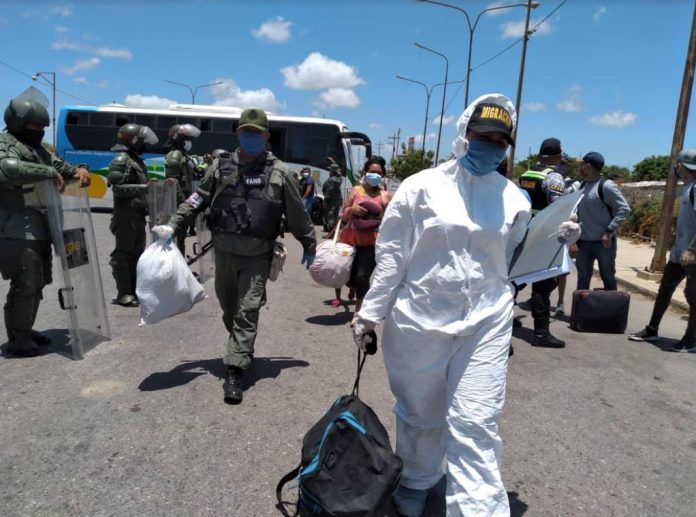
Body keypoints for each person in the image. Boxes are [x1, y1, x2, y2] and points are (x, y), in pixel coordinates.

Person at [351, 94, 580, 516]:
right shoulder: (421, 188)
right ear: (464, 134)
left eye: (499, 140)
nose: (489, 145)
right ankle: (418, 480)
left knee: (476, 422)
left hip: (486, 322)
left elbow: (513, 263)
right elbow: (392, 257)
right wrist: (369, 313)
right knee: (421, 414)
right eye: (482, 135)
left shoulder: (514, 198)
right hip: (419, 322)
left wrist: (554, 240)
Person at [152, 108, 316, 404]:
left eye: (257, 133)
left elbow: (297, 212)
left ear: (266, 136)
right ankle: (241, 348)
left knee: (247, 309)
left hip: (258, 254)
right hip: (224, 252)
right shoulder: (220, 166)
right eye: (246, 132)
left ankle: (235, 369)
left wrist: (310, 243)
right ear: (238, 134)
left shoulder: (279, 172)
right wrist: (173, 223)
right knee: (230, 310)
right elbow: (197, 198)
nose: (251, 137)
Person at [0, 88, 91, 357]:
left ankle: (25, 330)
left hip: (41, 226)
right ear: (17, 123)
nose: (39, 130)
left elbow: (61, 166)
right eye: (34, 125)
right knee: (25, 282)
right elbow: (6, 169)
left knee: (37, 281)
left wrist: (79, 169)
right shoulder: (6, 144)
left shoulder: (38, 149)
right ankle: (17, 337)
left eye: (42, 126)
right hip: (15, 228)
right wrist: (47, 171)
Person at [629, 149, 696, 352]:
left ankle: (690, 340)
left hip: (692, 257)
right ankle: (652, 329)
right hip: (679, 254)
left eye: (677, 165)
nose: (676, 168)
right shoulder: (688, 188)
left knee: (693, 297)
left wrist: (692, 250)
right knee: (665, 289)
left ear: (681, 166)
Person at [518, 137, 569, 348]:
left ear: (540, 155)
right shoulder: (554, 178)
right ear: (558, 156)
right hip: (544, 236)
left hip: (523, 232)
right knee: (544, 284)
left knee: (515, 279)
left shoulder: (526, 174)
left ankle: (502, 320)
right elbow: (556, 210)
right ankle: (541, 333)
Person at [108, 123, 159, 307]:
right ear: (133, 140)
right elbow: (118, 188)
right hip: (125, 216)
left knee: (137, 254)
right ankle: (123, 293)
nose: (145, 144)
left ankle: (134, 290)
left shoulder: (135, 160)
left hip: (136, 215)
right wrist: (144, 188)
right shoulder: (122, 160)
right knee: (123, 254)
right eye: (142, 140)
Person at [340, 156, 392, 324]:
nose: (375, 175)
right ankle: (355, 289)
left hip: (371, 245)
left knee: (363, 277)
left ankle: (358, 312)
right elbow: (343, 214)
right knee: (348, 277)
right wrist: (352, 210)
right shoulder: (356, 191)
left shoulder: (385, 196)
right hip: (350, 241)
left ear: (383, 175)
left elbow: (393, 222)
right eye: (372, 172)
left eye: (379, 173)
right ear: (365, 173)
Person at [573, 152, 630, 291]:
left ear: (589, 166)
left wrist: (610, 230)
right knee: (582, 278)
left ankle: (611, 310)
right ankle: (581, 311)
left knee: (608, 277)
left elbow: (624, 209)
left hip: (604, 243)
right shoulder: (581, 186)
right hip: (584, 243)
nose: (579, 168)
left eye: (581, 165)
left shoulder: (606, 186)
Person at [164, 123, 201, 254]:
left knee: (181, 238)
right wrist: (184, 204)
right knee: (175, 239)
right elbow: (173, 184)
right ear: (178, 139)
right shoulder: (175, 156)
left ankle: (179, 266)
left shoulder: (183, 155)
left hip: (182, 203)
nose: (189, 142)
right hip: (177, 205)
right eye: (187, 139)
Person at [322, 157, 343, 233]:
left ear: (332, 171)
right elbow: (339, 171)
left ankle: (331, 232)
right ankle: (334, 231)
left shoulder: (332, 180)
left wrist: (325, 201)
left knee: (330, 216)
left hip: (331, 200)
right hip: (337, 200)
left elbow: (329, 191)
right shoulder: (339, 179)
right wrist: (333, 162)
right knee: (335, 215)